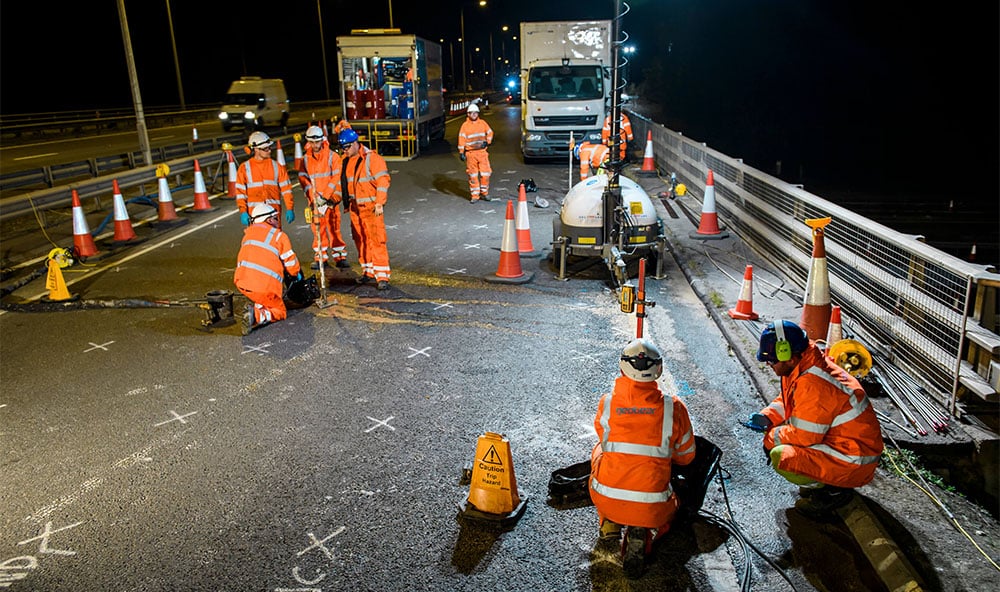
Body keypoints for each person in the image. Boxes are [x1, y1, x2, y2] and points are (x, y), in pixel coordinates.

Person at [744, 320, 884, 518]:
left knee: (781, 455)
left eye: (772, 360)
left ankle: (834, 491)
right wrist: (768, 416)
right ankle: (825, 480)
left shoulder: (814, 384)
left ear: (788, 357)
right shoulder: (803, 366)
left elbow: (803, 436)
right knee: (785, 440)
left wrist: (770, 437)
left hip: (854, 461)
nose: (769, 364)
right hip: (849, 449)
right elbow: (789, 402)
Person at [589, 338, 696, 578]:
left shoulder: (607, 403)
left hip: (605, 498)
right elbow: (687, 457)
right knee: (661, 472)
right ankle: (646, 530)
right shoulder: (674, 408)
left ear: (621, 368)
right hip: (655, 506)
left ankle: (609, 524)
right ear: (658, 370)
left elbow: (606, 440)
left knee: (600, 450)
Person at [233, 204, 303, 336]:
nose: (278, 221)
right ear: (269, 220)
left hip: (242, 284)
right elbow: (292, 265)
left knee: (261, 296)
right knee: (280, 311)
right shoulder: (278, 236)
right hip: (264, 288)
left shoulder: (247, 235)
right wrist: (296, 275)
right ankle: (257, 315)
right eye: (276, 218)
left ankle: (258, 304)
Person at [339, 128, 392, 290]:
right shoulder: (346, 161)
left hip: (371, 208)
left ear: (356, 143)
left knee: (377, 240)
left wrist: (379, 202)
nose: (345, 150)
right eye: (343, 148)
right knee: (360, 239)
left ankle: (382, 276)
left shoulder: (371, 159)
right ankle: (368, 271)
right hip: (355, 208)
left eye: (347, 147)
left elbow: (383, 180)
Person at [298, 125, 349, 270]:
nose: (315, 145)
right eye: (312, 142)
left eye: (317, 142)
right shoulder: (305, 159)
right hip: (315, 201)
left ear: (322, 140)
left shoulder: (332, 157)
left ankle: (340, 256)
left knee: (334, 229)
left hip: (330, 201)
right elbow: (303, 179)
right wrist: (312, 196)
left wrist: (325, 197)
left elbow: (335, 178)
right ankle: (321, 257)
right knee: (317, 230)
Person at [235, 131, 295, 228]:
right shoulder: (244, 168)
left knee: (275, 241)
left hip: (273, 214)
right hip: (255, 215)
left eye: (269, 148)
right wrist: (243, 211)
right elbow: (240, 193)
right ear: (256, 149)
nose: (269, 151)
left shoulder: (276, 166)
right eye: (265, 149)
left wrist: (290, 208)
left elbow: (286, 189)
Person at [457, 102, 494, 203]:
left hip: (482, 153)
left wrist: (487, 142)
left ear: (478, 114)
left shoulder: (483, 123)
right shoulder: (465, 126)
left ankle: (484, 193)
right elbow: (462, 139)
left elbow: (490, 133)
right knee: (473, 175)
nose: (474, 115)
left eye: (475, 113)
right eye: (471, 113)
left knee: (485, 173)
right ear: (468, 114)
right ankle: (475, 195)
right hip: (471, 154)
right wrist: (461, 152)